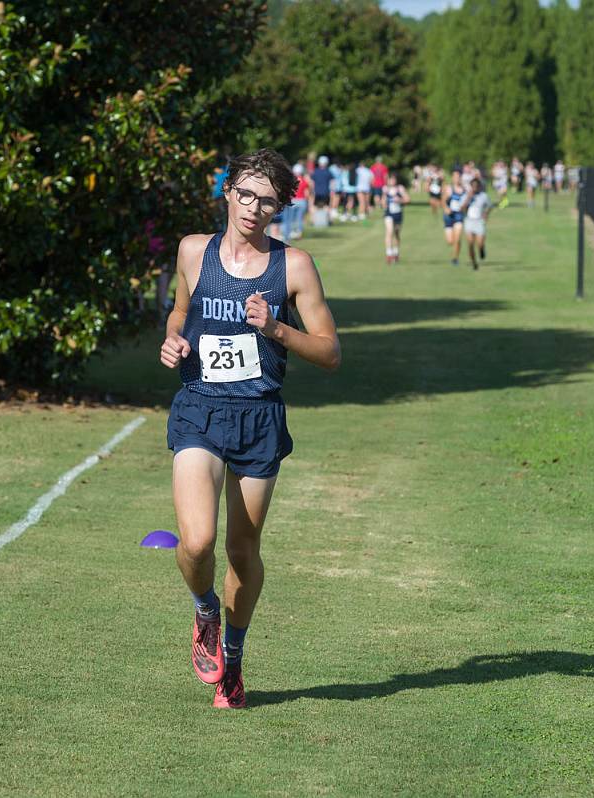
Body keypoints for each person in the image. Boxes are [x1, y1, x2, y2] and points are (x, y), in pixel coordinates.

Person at [159, 148, 342, 709]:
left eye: (266, 200)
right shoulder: (194, 251)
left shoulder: (295, 266)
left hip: (258, 416)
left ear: (279, 208)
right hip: (199, 407)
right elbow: (178, 310)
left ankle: (233, 659)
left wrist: (277, 330)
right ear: (227, 192)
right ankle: (205, 611)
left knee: (242, 550)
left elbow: (330, 351)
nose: (253, 207)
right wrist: (173, 338)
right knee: (197, 540)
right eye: (245, 193)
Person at [461, 177, 490, 270]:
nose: (475, 188)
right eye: (473, 186)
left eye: (476, 186)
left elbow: (489, 206)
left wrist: (486, 214)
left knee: (480, 243)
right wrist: (468, 198)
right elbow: (462, 209)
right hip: (469, 221)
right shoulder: (466, 195)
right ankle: (474, 263)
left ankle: (481, 249)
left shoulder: (484, 196)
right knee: (470, 244)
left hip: (479, 221)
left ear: (479, 187)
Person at [383, 171, 409, 264]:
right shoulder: (385, 189)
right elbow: (383, 203)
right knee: (389, 231)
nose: (392, 181)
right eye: (391, 179)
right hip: (388, 213)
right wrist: (384, 201)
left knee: (396, 234)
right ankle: (389, 254)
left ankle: (396, 252)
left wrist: (400, 200)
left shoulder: (400, 188)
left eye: (394, 179)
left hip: (398, 214)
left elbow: (407, 200)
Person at [442, 168, 466, 266]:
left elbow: (467, 203)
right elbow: (443, 201)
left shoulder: (464, 190)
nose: (457, 179)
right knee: (450, 241)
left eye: (458, 177)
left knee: (457, 237)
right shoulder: (448, 188)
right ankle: (455, 252)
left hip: (459, 215)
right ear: (452, 178)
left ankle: (455, 258)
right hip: (449, 216)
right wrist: (446, 208)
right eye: (455, 177)